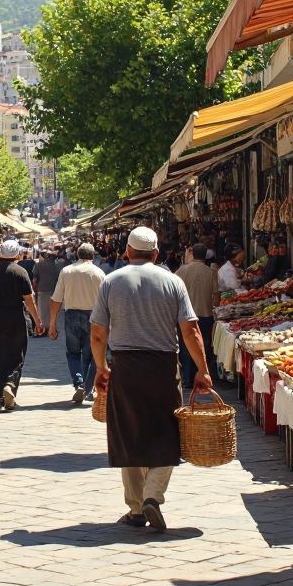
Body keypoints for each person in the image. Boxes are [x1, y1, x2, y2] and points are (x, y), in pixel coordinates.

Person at [91, 226, 212, 531]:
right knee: (167, 431)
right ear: (156, 253)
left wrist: (101, 367)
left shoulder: (111, 281)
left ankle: (135, 509)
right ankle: (153, 495)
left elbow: (97, 333)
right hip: (162, 366)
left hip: (125, 367)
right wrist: (202, 369)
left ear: (127, 252)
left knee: (128, 434)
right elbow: (190, 330)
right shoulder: (173, 281)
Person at [0, 239, 44, 411]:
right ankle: (10, 384)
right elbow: (29, 300)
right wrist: (38, 321)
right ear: (16, 255)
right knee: (16, 354)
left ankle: (0, 396)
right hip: (16, 316)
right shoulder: (21, 272)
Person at [47, 243, 106, 405]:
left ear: (76, 255)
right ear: (93, 255)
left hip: (72, 316)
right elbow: (105, 302)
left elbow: (56, 299)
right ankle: (87, 388)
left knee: (73, 353)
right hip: (94, 317)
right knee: (92, 355)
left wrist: (52, 323)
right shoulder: (99, 273)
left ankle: (79, 383)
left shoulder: (67, 271)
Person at [175, 244, 220, 393]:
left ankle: (188, 379)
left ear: (192, 254)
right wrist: (215, 307)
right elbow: (216, 294)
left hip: (185, 315)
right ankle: (203, 376)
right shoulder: (211, 272)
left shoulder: (182, 270)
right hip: (205, 314)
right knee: (204, 346)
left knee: (186, 347)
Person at [33, 250, 58, 326]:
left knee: (43, 310)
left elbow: (34, 278)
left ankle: (44, 328)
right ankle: (52, 326)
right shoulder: (55, 265)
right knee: (51, 310)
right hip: (53, 289)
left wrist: (34, 288)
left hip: (42, 289)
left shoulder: (38, 265)